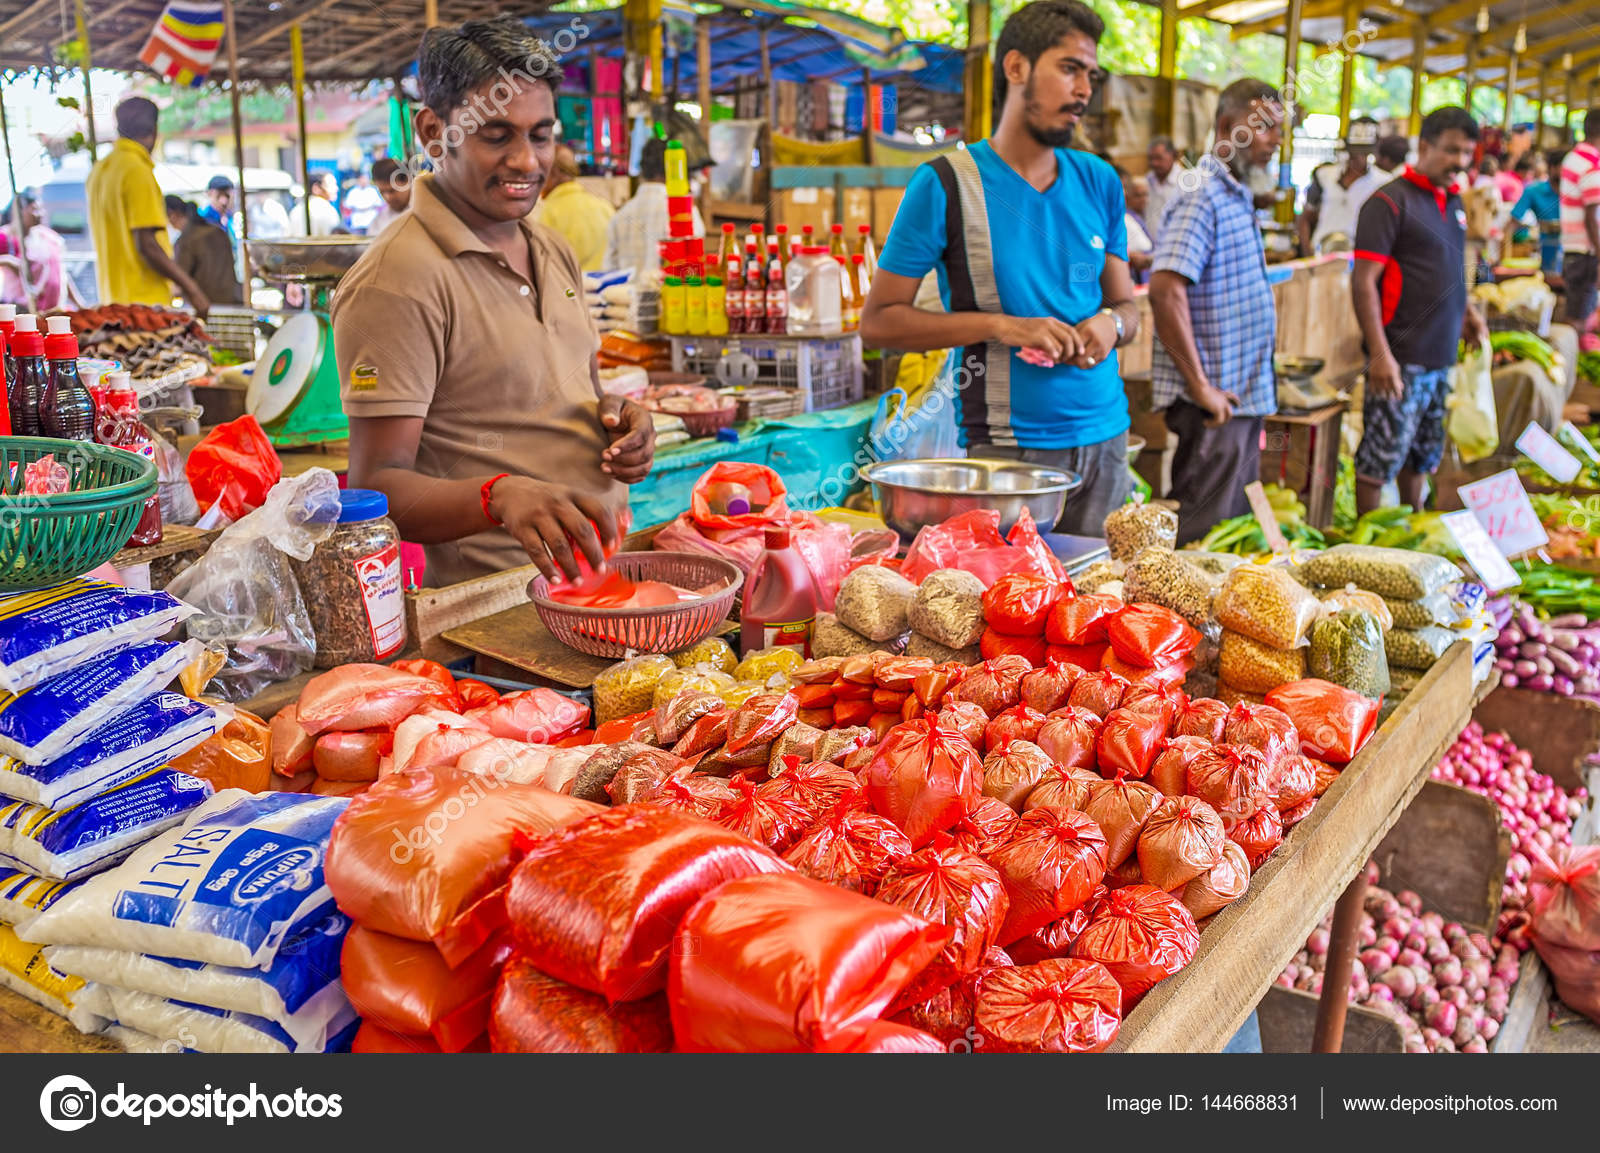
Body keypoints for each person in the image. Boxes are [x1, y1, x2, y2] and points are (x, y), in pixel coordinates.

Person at [332, 15, 654, 587]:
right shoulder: (396, 280)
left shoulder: (551, 247)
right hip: (497, 607)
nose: (528, 162)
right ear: (434, 133)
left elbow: (573, 394)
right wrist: (497, 496)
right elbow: (375, 486)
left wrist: (621, 424)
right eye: (497, 135)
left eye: (541, 135)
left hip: (600, 582)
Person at [861, 0, 1141, 534]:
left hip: (1109, 440)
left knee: (1101, 601)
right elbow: (879, 323)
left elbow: (1128, 304)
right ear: (1016, 68)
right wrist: (1002, 326)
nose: (1084, 90)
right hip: (1008, 457)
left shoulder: (1100, 180)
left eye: (1091, 74)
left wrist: (1113, 324)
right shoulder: (945, 183)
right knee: (1014, 609)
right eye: (1069, 68)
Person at [1148, 78, 1285, 545]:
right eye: (1264, 128)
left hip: (1238, 397)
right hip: (1213, 403)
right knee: (1197, 543)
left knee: (1225, 536)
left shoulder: (1235, 194)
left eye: (1279, 130)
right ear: (1228, 127)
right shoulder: (1200, 193)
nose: (1275, 141)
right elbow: (1165, 291)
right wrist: (1201, 387)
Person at [1352, 106, 1489, 516]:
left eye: (1466, 153)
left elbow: (1450, 267)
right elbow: (1362, 283)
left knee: (1422, 455)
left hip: (1441, 356)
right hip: (1400, 358)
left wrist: (1466, 313)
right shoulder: (1389, 203)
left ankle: (1412, 523)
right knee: (1380, 457)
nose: (1459, 162)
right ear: (1424, 146)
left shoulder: (1454, 201)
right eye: (1450, 151)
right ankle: (1366, 543)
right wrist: (1380, 355)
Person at [86, 97, 210, 314]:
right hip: (144, 306)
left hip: (113, 303)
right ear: (153, 130)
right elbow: (147, 245)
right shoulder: (137, 170)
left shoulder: (100, 170)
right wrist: (193, 290)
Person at [603, 137, 705, 274]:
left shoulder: (619, 216)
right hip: (672, 294)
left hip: (626, 294)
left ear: (643, 170)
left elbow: (609, 271)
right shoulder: (685, 213)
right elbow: (694, 264)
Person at [1300, 116, 1386, 254]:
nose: (1359, 157)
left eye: (1364, 152)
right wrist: (1307, 252)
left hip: (1357, 256)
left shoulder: (1383, 182)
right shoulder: (1324, 175)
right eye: (1356, 151)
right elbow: (1305, 217)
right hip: (1320, 251)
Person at [533, 143, 614, 271]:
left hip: (569, 291)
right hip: (608, 289)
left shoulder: (549, 213)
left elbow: (544, 268)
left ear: (552, 174)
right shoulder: (604, 207)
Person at [0, 191, 84, 311]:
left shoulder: (48, 238)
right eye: (34, 209)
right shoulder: (5, 238)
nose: (40, 214)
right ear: (18, 211)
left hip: (52, 312)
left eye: (41, 209)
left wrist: (80, 305)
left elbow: (60, 274)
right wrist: (8, 261)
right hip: (21, 312)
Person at [1559, 109, 1600, 334]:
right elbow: (1592, 218)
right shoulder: (1591, 163)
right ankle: (1569, 363)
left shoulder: (1573, 157)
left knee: (1576, 310)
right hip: (1586, 251)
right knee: (1578, 318)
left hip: (1574, 249)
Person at [164, 195, 242, 307]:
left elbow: (179, 282)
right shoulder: (218, 231)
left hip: (204, 306)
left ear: (173, 215)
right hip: (231, 303)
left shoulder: (185, 241)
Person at [1509, 150, 1563, 276]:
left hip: (1577, 256)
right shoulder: (1533, 191)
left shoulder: (1579, 192)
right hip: (1544, 255)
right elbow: (1514, 221)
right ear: (1552, 168)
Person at [1146, 135, 1184, 235]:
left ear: (1173, 156)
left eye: (1159, 158)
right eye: (1150, 158)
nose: (1154, 163)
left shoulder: (1186, 182)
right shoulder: (1146, 181)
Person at [1122, 169, 1154, 285]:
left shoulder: (1140, 216)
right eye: (1138, 195)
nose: (1143, 199)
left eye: (1145, 194)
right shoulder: (1124, 218)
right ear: (1127, 197)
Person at [369, 158, 411, 234]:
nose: (388, 197)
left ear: (407, 181)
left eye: (392, 191)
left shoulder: (425, 211)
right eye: (382, 192)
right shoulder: (378, 223)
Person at [199, 175, 238, 251]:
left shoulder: (231, 218)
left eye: (227, 196)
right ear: (209, 194)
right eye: (218, 196)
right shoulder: (202, 219)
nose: (224, 201)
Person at [296, 172, 342, 236]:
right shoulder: (327, 210)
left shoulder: (297, 209)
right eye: (331, 184)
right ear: (316, 188)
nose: (336, 188)